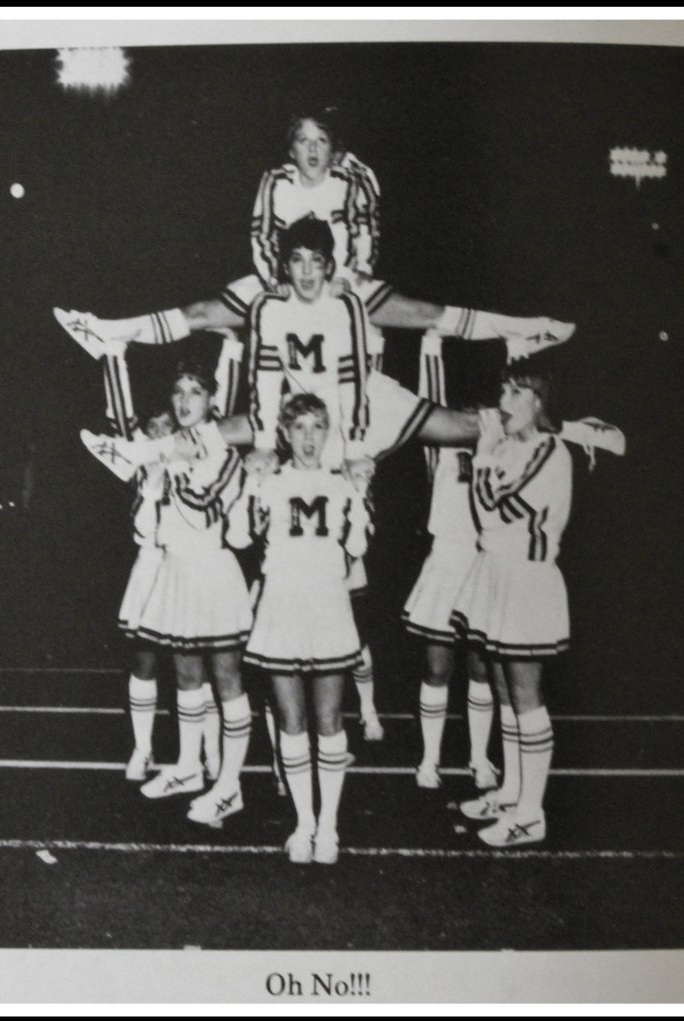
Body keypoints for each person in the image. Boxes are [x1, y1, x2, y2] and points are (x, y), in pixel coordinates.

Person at [53, 108, 575, 359]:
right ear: (291, 149)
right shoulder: (274, 182)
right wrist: (272, 281)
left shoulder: (351, 180)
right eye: (303, 141)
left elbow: (367, 232)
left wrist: (353, 276)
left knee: (421, 314)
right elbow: (259, 237)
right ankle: (106, 331)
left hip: (340, 280)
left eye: (320, 140)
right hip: (284, 278)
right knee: (203, 313)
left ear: (332, 148)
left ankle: (526, 327)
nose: (311, 149)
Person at [82, 355, 254, 818]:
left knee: (227, 680)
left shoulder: (226, 453)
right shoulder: (172, 449)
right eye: (178, 392)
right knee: (186, 678)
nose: (184, 401)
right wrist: (159, 459)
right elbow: (150, 517)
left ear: (213, 401)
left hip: (213, 574)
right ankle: (188, 767)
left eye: (195, 392)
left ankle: (231, 784)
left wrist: (166, 457)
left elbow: (200, 507)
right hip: (176, 570)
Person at [228, 393, 371, 864]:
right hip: (283, 604)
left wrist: (362, 491)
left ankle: (328, 827)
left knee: (329, 720)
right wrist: (250, 484)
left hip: (327, 603)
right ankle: (303, 823)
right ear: (286, 434)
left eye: (317, 427)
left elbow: (357, 545)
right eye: (300, 428)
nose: (309, 437)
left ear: (327, 432)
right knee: (291, 721)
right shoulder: (272, 480)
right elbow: (238, 536)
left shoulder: (340, 482)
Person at [450, 360, 573, 847]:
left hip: (527, 580)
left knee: (526, 697)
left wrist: (481, 456)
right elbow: (488, 521)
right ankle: (512, 791)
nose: (504, 402)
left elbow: (492, 512)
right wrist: (489, 455)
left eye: (516, 393)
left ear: (539, 403)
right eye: (503, 390)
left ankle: (530, 815)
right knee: (502, 688)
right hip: (495, 572)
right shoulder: (508, 448)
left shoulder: (550, 453)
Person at [402, 437, 498, 793]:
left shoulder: (502, 444)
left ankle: (479, 756)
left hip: (483, 556)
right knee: (437, 669)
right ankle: (430, 758)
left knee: (480, 669)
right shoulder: (438, 445)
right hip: (446, 558)